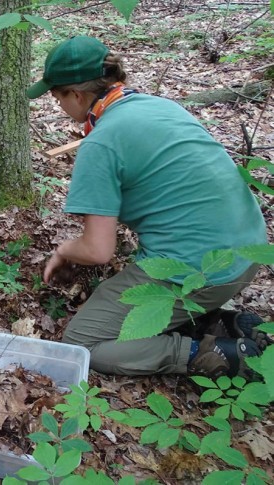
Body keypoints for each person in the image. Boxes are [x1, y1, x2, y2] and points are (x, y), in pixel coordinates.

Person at [26, 36, 270, 379]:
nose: (59, 106)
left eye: (57, 97)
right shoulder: (160, 106)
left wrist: (66, 250)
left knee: (82, 343)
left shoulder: (101, 143)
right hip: (248, 253)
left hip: (204, 269)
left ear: (76, 95)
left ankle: (211, 355)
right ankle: (224, 322)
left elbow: (98, 251)